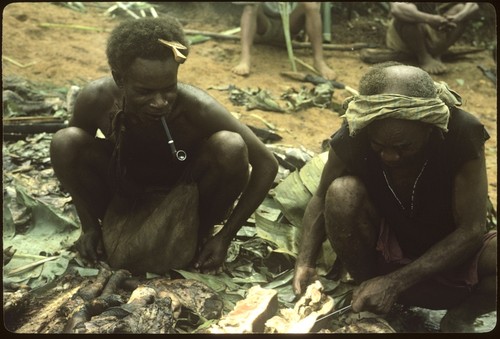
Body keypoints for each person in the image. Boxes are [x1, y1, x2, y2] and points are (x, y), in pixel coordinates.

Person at [50, 17, 278, 275]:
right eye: (145, 92)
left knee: (230, 146)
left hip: (189, 201)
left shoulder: (197, 107)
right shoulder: (96, 99)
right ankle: (100, 231)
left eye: (168, 89)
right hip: (123, 193)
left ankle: (200, 235)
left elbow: (267, 164)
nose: (160, 102)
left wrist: (224, 237)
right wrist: (88, 225)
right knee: (65, 141)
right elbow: (70, 158)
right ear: (119, 78)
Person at [292, 62, 496, 332]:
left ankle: (461, 316)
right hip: (387, 250)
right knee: (342, 192)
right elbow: (320, 198)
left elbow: (471, 230)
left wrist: (395, 283)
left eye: (404, 147)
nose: (389, 157)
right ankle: (369, 292)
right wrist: (305, 261)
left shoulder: (461, 132)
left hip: (454, 256)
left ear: (430, 128)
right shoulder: (354, 133)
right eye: (379, 146)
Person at [231, 2, 337, 80]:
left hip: (290, 25)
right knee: (250, 7)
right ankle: (245, 60)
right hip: (264, 24)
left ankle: (319, 61)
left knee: (311, 6)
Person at [386, 2, 479, 74]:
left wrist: (456, 18)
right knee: (406, 14)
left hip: (433, 34)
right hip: (404, 40)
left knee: (461, 9)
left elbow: (473, 5)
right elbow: (396, 9)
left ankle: (438, 53)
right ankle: (424, 57)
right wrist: (430, 19)